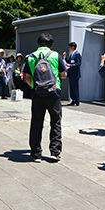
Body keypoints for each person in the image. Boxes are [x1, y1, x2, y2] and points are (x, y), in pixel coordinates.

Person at [23, 33, 68, 163]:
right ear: (51, 44)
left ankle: (36, 154)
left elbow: (27, 78)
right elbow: (64, 74)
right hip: (53, 93)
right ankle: (54, 152)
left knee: (36, 123)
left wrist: (36, 87)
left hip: (37, 94)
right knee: (55, 121)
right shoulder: (55, 55)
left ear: (38, 44)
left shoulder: (31, 57)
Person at [64, 42, 82, 106]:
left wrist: (71, 65)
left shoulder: (77, 54)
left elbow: (78, 64)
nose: (69, 49)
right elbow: (68, 62)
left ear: (73, 47)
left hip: (75, 74)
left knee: (75, 88)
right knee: (71, 88)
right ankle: (73, 100)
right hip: (71, 74)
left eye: (69, 47)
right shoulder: (72, 55)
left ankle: (76, 101)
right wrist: (65, 58)